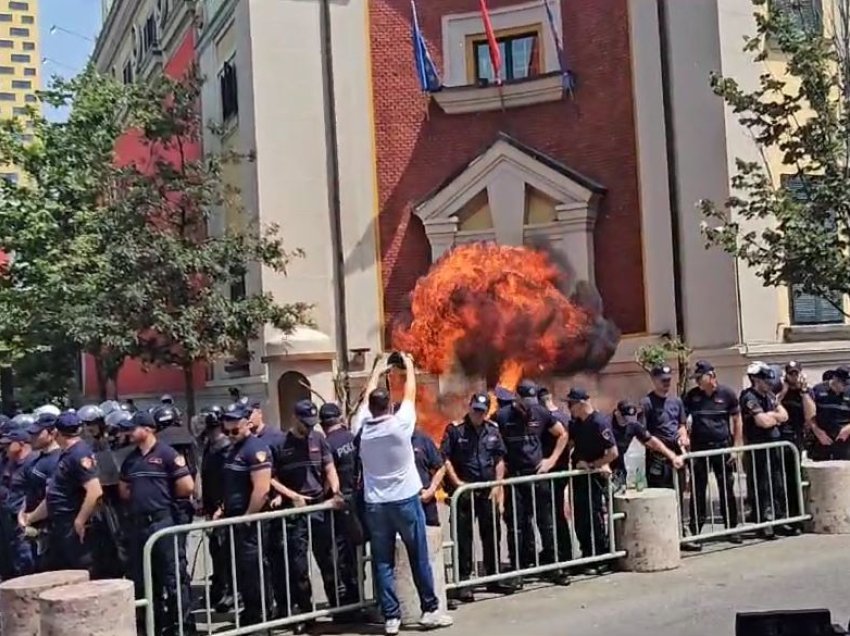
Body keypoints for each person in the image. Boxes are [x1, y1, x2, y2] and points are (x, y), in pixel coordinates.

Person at [353, 352, 452, 635]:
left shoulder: (361, 428)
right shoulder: (400, 426)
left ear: (370, 407)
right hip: (405, 502)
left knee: (382, 562)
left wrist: (377, 369)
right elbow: (410, 393)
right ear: (390, 406)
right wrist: (407, 363)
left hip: (376, 505)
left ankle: (391, 618)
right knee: (418, 555)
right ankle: (430, 611)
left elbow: (367, 397)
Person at [267, 400, 348, 632]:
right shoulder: (280, 444)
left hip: (319, 506)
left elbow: (329, 467)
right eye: (305, 423)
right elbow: (271, 478)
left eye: (312, 423)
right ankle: (306, 612)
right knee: (298, 566)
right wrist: (291, 495)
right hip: (296, 512)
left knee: (329, 560)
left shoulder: (319, 439)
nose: (309, 427)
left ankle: (337, 608)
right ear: (295, 418)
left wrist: (335, 490)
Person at [119, 410, 196, 635]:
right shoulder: (130, 459)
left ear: (148, 429)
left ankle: (183, 626)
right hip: (139, 525)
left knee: (174, 576)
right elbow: (124, 490)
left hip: (163, 522)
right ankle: (155, 624)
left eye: (133, 428)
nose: (129, 432)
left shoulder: (168, 454)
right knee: (144, 578)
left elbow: (187, 486)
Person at [493, 379, 569, 586]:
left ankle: (553, 567)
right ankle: (518, 570)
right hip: (515, 478)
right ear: (517, 397)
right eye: (525, 400)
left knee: (546, 523)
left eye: (531, 400)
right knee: (516, 525)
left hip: (537, 476)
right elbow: (492, 439)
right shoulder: (502, 416)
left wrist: (550, 461)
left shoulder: (541, 412)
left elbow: (562, 434)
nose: (529, 404)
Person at [441, 392, 514, 601]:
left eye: (482, 412)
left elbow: (499, 459)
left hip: (487, 491)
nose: (477, 415)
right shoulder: (455, 430)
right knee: (463, 538)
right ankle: (464, 582)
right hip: (464, 493)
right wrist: (457, 483)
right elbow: (444, 459)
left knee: (491, 534)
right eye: (475, 410)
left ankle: (493, 577)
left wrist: (498, 486)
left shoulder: (492, 429)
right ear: (469, 407)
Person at [20, 411, 103, 574]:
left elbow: (94, 491)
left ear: (56, 432)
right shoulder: (66, 455)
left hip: (72, 525)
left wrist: (80, 521)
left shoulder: (79, 453)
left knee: (82, 573)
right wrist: (30, 517)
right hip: (60, 526)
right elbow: (54, 494)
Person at [220, 403, 272, 626]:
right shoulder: (233, 450)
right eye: (227, 431)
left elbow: (262, 489)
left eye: (235, 431)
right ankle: (250, 613)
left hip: (250, 519)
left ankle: (262, 615)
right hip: (234, 517)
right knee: (241, 569)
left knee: (254, 570)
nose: (231, 435)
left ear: (247, 424)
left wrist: (248, 517)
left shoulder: (256, 449)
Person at [683, 360, 742, 551]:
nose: (698, 381)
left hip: (722, 447)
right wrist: (684, 435)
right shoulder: (692, 396)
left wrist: (736, 446)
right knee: (698, 490)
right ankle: (696, 531)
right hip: (700, 449)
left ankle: (732, 528)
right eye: (696, 378)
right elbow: (683, 420)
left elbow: (736, 419)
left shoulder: (727, 394)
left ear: (711, 376)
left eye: (700, 377)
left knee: (727, 487)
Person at [318, 402, 363, 621]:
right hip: (355, 501)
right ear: (340, 418)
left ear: (322, 423)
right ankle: (358, 599)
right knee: (355, 553)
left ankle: (345, 606)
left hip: (336, 505)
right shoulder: (352, 438)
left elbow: (327, 478)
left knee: (337, 555)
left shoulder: (326, 444)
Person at [565, 388, 618, 573]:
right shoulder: (575, 424)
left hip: (594, 478)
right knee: (580, 518)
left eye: (571, 404)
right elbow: (569, 445)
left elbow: (613, 453)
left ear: (581, 403)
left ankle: (600, 556)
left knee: (594, 517)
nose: (568, 407)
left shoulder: (599, 422)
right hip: (579, 479)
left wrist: (594, 465)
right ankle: (587, 553)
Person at [740, 363, 789, 540]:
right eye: (765, 379)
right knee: (762, 485)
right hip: (758, 446)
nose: (769, 383)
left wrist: (772, 416)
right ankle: (764, 522)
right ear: (755, 379)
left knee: (776, 481)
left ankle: (779, 518)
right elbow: (763, 422)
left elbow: (784, 415)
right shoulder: (749, 397)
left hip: (773, 444)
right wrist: (773, 417)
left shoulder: (768, 395)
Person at [200, 405, 233, 612]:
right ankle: (219, 588)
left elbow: (228, 479)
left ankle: (231, 591)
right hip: (211, 505)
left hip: (224, 507)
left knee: (226, 550)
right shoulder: (209, 446)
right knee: (216, 550)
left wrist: (222, 505)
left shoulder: (226, 447)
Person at [538, 386, 574, 570]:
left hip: (551, 472)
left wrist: (550, 462)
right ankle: (564, 553)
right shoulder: (565, 417)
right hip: (562, 471)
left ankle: (558, 555)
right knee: (558, 513)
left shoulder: (546, 419)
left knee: (550, 516)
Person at [611, 400, 684, 490]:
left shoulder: (633, 425)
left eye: (631, 419)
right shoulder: (607, 425)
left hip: (618, 465)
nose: (628, 422)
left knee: (618, 495)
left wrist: (672, 456)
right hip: (601, 464)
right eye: (625, 419)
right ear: (617, 413)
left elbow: (652, 442)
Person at [777, 361, 814, 530]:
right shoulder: (778, 389)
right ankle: (781, 517)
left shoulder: (805, 391)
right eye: (790, 373)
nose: (793, 376)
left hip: (796, 438)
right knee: (779, 479)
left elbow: (811, 415)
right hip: (779, 438)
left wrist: (804, 391)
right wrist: (783, 391)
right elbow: (772, 404)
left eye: (795, 373)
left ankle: (796, 517)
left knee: (794, 479)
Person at [638, 365, 688, 489]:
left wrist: (683, 436)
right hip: (657, 458)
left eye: (668, 380)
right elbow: (642, 435)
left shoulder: (677, 401)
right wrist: (664, 451)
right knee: (659, 496)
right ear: (654, 380)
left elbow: (681, 425)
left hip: (677, 454)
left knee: (678, 494)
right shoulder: (646, 403)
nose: (666, 383)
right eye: (663, 380)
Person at [25, 413, 62, 571]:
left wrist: (30, 518)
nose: (32, 437)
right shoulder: (38, 459)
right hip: (35, 529)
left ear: (52, 433)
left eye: (37, 433)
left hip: (52, 530)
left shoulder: (56, 460)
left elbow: (50, 498)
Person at [0, 427, 39, 577]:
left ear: (22, 444)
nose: (5, 448)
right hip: (10, 519)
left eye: (9, 444)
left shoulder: (32, 464)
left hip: (26, 520)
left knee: (28, 561)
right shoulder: (11, 463)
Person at [810, 366, 850, 461]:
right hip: (822, 439)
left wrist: (848, 429)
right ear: (835, 379)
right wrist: (817, 431)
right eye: (843, 384)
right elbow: (810, 415)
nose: (845, 387)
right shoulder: (818, 390)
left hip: (844, 439)